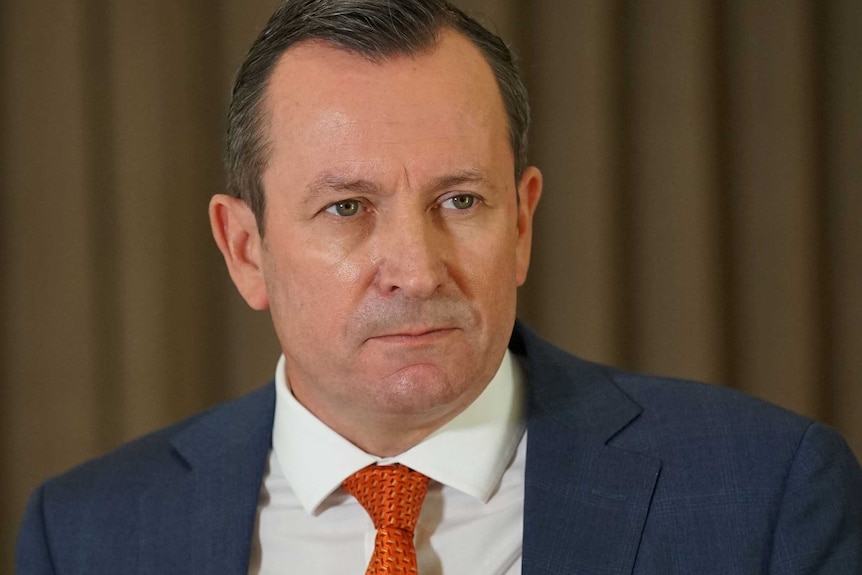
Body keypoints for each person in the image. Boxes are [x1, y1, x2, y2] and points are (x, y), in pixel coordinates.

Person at [16, 0, 862, 573]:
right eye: (347, 206)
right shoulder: (88, 534)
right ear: (246, 250)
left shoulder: (769, 494)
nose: (418, 270)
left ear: (523, 223)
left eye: (459, 200)